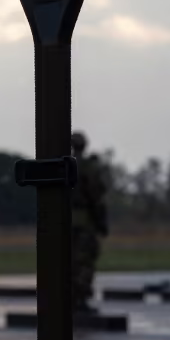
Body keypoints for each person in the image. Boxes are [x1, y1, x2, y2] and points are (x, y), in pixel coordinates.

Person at [70, 131, 109, 314]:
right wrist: (102, 222)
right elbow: (96, 197)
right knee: (84, 261)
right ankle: (79, 299)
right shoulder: (88, 168)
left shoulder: (63, 166)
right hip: (83, 220)